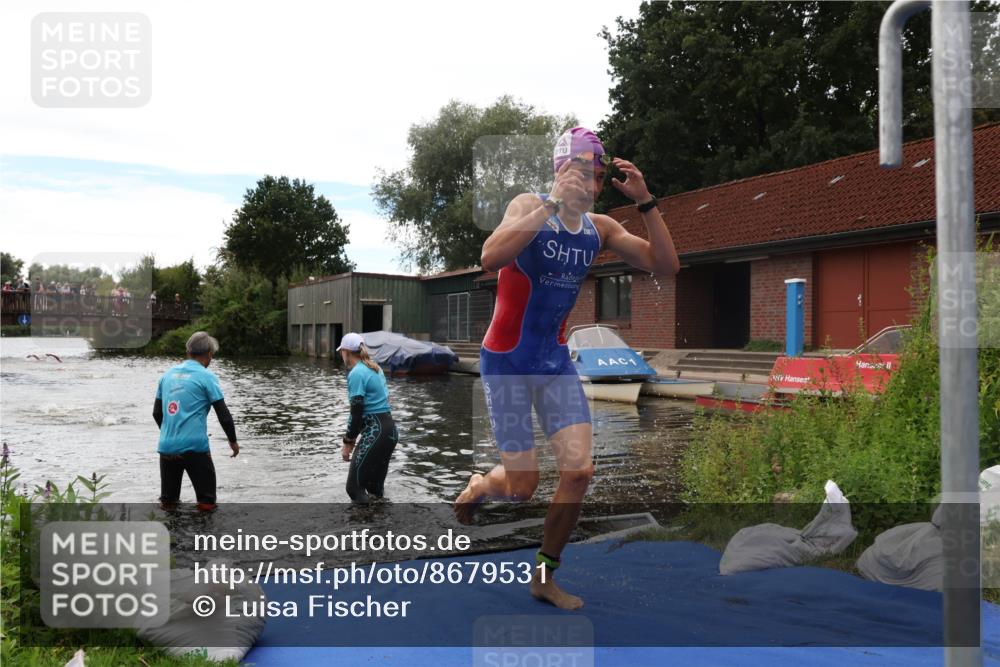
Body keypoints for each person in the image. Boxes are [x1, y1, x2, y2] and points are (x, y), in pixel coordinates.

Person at [454, 127, 680, 610]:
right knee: (521, 488)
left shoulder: (602, 229)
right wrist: (551, 205)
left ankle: (543, 576)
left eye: (596, 176)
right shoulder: (527, 205)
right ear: (559, 170)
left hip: (555, 362)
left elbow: (666, 266)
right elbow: (491, 256)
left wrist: (646, 202)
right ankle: (480, 485)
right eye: (579, 172)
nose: (588, 183)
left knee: (578, 473)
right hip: (508, 362)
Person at [152, 331, 239, 510]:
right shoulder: (207, 377)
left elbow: (156, 413)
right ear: (209, 354)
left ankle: (171, 536)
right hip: (195, 447)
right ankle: (203, 536)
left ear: (188, 351)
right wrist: (233, 441)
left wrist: (171, 433)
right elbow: (224, 415)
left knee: (169, 503)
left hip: (167, 446)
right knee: (207, 503)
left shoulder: (167, 375)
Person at [337, 332, 398, 504]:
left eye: (341, 351)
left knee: (354, 489)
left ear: (347, 352)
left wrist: (348, 442)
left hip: (376, 432)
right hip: (390, 432)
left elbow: (356, 411)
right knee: (374, 491)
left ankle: (360, 529)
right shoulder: (375, 368)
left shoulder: (357, 373)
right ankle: (380, 526)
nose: (341, 355)